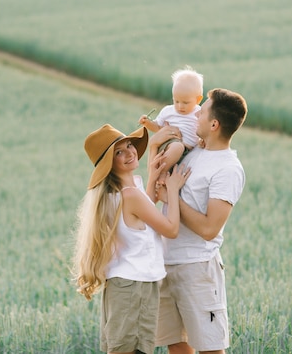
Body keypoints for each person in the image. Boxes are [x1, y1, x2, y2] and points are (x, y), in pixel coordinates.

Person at [72, 124, 191, 354]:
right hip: (134, 289)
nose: (129, 152)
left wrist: (153, 178)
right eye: (119, 152)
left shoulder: (112, 195)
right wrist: (173, 190)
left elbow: (141, 215)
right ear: (110, 164)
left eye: (128, 145)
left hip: (122, 286)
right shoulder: (130, 195)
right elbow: (171, 229)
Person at [149, 87, 248, 354]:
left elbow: (208, 228)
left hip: (197, 269)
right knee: (177, 345)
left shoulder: (227, 169)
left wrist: (171, 197)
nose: (195, 116)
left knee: (210, 348)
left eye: (202, 112)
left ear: (214, 124)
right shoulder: (194, 153)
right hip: (165, 263)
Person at [138, 67, 204, 176]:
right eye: (176, 101)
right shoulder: (168, 111)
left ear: (198, 100)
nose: (180, 106)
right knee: (178, 147)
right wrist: (147, 123)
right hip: (170, 145)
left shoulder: (200, 113)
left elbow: (204, 130)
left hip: (189, 151)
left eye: (185, 102)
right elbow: (158, 127)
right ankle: (161, 174)